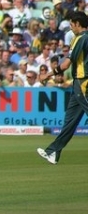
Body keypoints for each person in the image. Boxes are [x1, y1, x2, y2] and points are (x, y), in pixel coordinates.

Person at [37, 11, 88, 165]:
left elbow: (66, 64)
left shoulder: (80, 38)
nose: (71, 28)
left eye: (72, 25)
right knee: (70, 121)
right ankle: (53, 151)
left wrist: (48, 75)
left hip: (83, 82)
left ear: (78, 24)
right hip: (78, 83)